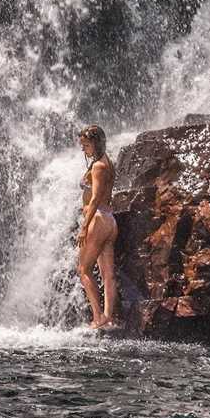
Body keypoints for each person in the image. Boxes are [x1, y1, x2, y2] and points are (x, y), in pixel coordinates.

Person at [77, 125, 119, 329]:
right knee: (107, 273)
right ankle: (108, 317)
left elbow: (94, 199)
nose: (83, 149)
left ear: (95, 144)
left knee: (83, 269)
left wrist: (84, 227)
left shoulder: (98, 167)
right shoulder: (107, 162)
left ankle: (97, 317)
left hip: (98, 220)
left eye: (85, 145)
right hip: (110, 220)